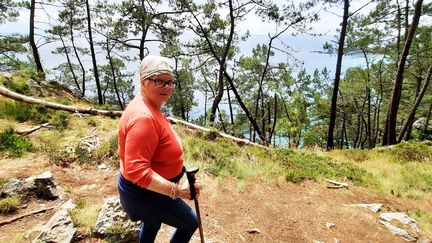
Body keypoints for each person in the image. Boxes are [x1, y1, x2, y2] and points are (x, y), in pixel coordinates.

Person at [117, 55, 200, 243]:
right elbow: (137, 171)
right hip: (146, 194)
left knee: (152, 222)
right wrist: (178, 191)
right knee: (190, 222)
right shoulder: (143, 117)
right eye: (160, 81)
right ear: (143, 81)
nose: (168, 87)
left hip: (149, 191)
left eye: (170, 82)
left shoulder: (148, 105)